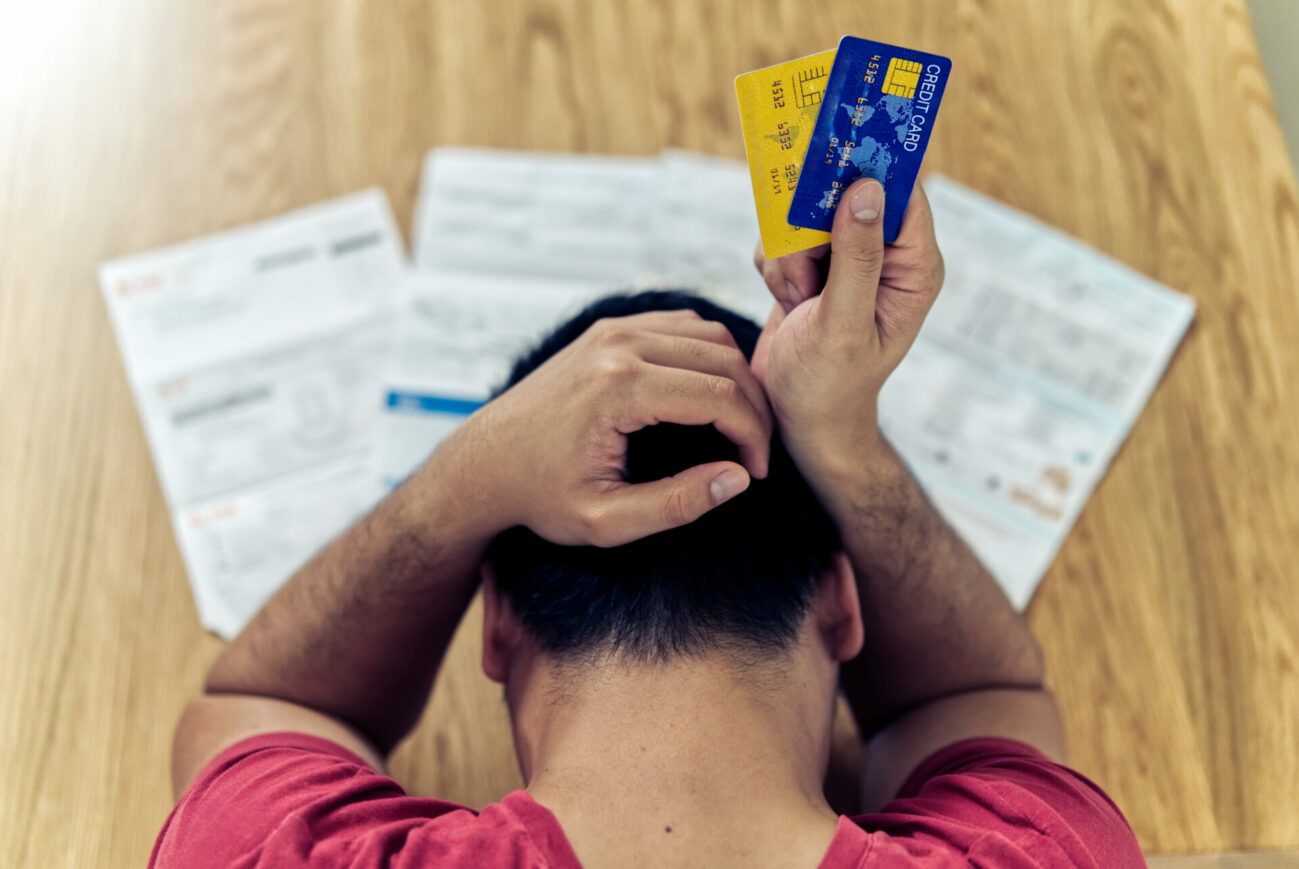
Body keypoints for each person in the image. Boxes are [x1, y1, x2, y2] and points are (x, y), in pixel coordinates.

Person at [151, 178, 1145, 867]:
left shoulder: (269, 850)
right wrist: (841, 440)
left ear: (495, 622)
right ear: (845, 604)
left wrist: (463, 479)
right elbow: (978, 696)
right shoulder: (1045, 849)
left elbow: (264, 707)